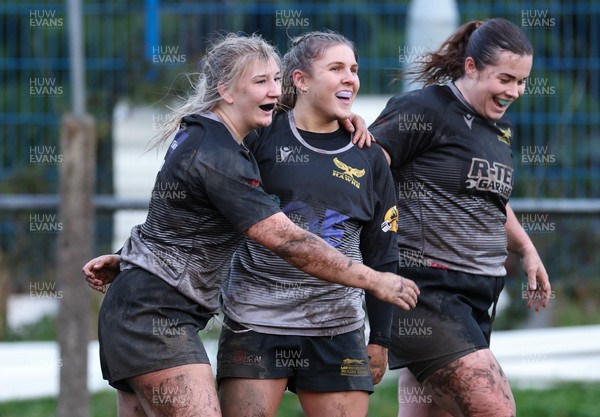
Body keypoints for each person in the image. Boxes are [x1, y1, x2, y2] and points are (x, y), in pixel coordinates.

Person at [82, 33, 419, 417]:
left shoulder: (219, 136)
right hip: (157, 316)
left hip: (151, 305)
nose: (274, 91)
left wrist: (132, 260)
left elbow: (177, 222)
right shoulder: (220, 153)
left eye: (276, 79)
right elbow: (288, 241)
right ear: (224, 89)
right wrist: (375, 280)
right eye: (261, 81)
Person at [368, 18, 552, 417]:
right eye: (505, 78)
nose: (514, 91)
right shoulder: (423, 108)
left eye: (522, 81)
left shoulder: (497, 130)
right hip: (426, 289)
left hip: (476, 294)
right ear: (471, 67)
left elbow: (493, 201)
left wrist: (527, 249)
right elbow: (366, 170)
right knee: (496, 407)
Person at [216, 31, 399, 417]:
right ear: (299, 80)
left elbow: (382, 252)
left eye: (354, 69)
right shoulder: (259, 137)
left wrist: (380, 338)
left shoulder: (369, 156)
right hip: (257, 319)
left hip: (337, 326)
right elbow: (210, 212)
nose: (350, 78)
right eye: (336, 68)